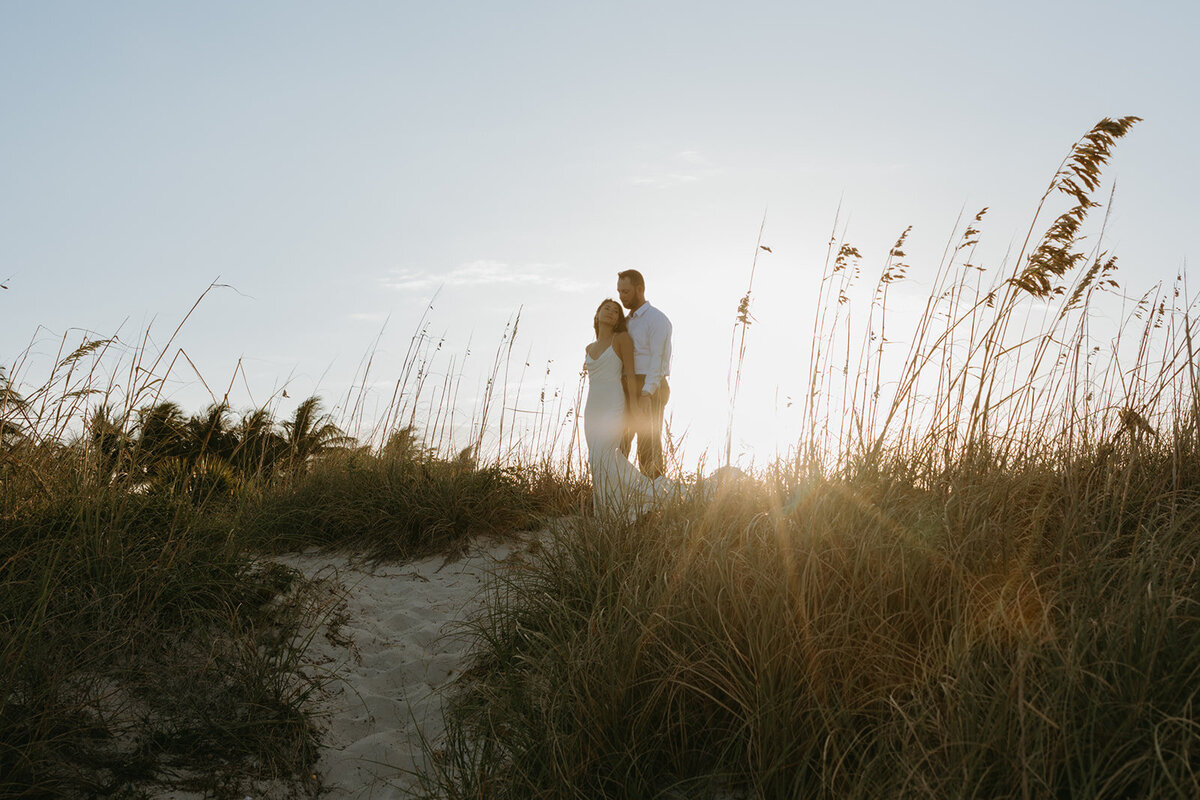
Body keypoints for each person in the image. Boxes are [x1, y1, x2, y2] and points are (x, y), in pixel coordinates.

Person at [583, 298, 667, 518]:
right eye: (606, 308)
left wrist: (636, 404)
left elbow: (630, 374)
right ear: (597, 313)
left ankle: (646, 496)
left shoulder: (621, 339)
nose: (611, 312)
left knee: (606, 454)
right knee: (595, 458)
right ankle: (604, 508)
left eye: (615, 311)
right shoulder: (589, 347)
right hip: (593, 408)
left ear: (619, 319)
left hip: (614, 404)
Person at [616, 269, 672, 479]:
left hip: (650, 386)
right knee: (620, 440)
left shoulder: (657, 319)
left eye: (626, 292)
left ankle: (654, 495)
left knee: (648, 443)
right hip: (627, 384)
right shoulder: (626, 321)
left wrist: (647, 393)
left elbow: (658, 360)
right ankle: (620, 490)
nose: (621, 297)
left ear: (640, 289)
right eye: (619, 291)